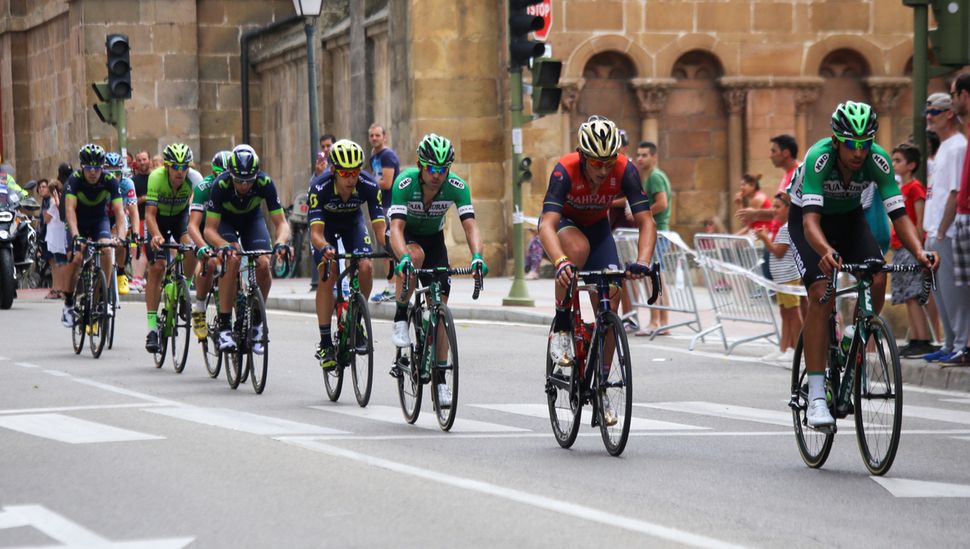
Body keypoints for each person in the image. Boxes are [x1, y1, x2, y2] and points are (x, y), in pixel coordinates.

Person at [787, 101, 936, 429]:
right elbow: (811, 222)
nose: (859, 152)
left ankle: (856, 333)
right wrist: (825, 251)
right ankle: (814, 395)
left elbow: (899, 215)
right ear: (837, 140)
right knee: (820, 291)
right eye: (852, 144)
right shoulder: (819, 158)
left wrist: (921, 252)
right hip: (810, 222)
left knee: (877, 274)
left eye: (865, 144)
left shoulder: (878, 161)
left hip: (850, 220)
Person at [539, 115, 657, 427]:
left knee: (612, 296)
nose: (602, 171)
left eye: (607, 163)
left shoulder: (625, 169)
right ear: (582, 156)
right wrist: (561, 261)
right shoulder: (565, 170)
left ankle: (602, 386)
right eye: (595, 164)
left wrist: (643, 261)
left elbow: (647, 221)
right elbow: (546, 224)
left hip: (599, 229)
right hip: (567, 226)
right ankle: (563, 327)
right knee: (576, 251)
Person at [387, 133, 487, 407]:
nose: (437, 175)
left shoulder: (456, 186)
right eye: (432, 168)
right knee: (414, 256)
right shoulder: (405, 183)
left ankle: (441, 380)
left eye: (443, 169)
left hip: (433, 239)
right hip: (403, 235)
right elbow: (395, 227)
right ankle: (399, 315)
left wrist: (477, 256)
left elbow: (470, 225)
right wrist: (403, 257)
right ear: (421, 165)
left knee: (440, 310)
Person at [307, 139, 386, 369]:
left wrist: (392, 250)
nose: (351, 178)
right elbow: (316, 234)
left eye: (355, 172)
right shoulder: (319, 188)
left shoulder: (369, 185)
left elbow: (381, 231)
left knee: (366, 266)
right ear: (333, 171)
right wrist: (325, 248)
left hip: (353, 223)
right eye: (344, 173)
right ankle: (324, 342)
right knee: (328, 273)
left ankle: (356, 318)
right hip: (325, 229)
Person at [204, 144, 291, 353]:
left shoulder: (264, 182)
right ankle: (225, 325)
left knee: (263, 263)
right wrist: (223, 246)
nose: (243, 185)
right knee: (232, 257)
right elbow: (209, 230)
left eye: (248, 181)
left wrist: (280, 242)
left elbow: (281, 223)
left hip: (252, 219)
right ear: (230, 174)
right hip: (225, 222)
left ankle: (258, 322)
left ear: (256, 175)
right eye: (239, 180)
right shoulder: (221, 184)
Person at [921, 91, 970, 365]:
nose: (929, 117)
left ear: (949, 113)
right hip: (934, 230)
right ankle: (950, 342)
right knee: (940, 293)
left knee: (954, 292)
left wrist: (941, 230)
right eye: (927, 112)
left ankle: (962, 343)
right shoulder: (944, 148)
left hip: (946, 232)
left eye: (935, 112)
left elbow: (955, 191)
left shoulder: (957, 146)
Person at [62, 144, 126, 329]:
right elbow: (69, 210)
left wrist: (120, 236)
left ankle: (103, 297)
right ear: (82, 167)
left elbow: (119, 212)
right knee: (76, 257)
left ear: (102, 167)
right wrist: (75, 235)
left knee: (106, 248)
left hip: (99, 220)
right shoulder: (74, 181)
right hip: (78, 222)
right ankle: (68, 303)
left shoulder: (110, 180)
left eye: (97, 168)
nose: (93, 172)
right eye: (89, 168)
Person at [143, 143, 198, 353]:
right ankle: (151, 329)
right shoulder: (156, 178)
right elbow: (149, 214)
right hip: (158, 221)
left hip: (180, 219)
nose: (180, 171)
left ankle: (184, 290)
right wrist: (156, 235)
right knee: (158, 266)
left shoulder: (194, 179)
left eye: (184, 167)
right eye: (175, 166)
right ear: (167, 166)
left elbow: (199, 211)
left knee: (192, 249)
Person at [887, 143, 937, 358]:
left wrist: (919, 248)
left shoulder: (915, 188)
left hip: (911, 248)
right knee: (908, 296)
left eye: (898, 160)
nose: (894, 164)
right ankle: (916, 338)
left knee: (915, 295)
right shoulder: (900, 189)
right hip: (899, 248)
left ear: (911, 165)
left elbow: (918, 220)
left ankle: (922, 339)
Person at [186, 150, 230, 340]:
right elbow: (193, 226)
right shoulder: (203, 188)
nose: (223, 181)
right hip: (202, 228)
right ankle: (200, 308)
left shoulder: (235, 187)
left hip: (223, 228)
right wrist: (203, 247)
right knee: (210, 263)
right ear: (212, 173)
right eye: (218, 176)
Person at [755, 192, 801, 362]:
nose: (774, 211)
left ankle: (797, 349)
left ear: (789, 208)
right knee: (784, 313)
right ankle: (784, 348)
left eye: (778, 207)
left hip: (789, 278)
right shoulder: (784, 228)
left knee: (793, 312)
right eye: (773, 207)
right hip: (781, 279)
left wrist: (765, 239)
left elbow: (778, 252)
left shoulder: (787, 228)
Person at [637, 141, 673, 337]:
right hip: (658, 233)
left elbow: (662, 203)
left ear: (654, 157)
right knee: (658, 279)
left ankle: (656, 321)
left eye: (644, 155)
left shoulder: (655, 177)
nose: (640, 159)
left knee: (654, 279)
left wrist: (642, 214)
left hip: (657, 233)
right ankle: (662, 321)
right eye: (639, 155)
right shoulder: (652, 177)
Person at [947, 74, 970, 366]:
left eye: (953, 94)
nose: (952, 100)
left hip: (966, 212)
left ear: (964, 95)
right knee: (965, 286)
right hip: (963, 215)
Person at [367, 123, 401, 304]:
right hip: (381, 205)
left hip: (389, 205)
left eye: (377, 135)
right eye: (371, 135)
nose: (374, 138)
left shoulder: (387, 156)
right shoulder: (374, 155)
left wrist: (365, 183)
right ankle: (391, 286)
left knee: (388, 248)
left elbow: (387, 183)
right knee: (384, 248)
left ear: (384, 137)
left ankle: (392, 288)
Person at [103, 152, 139, 295]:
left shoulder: (127, 183)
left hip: (119, 214)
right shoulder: (99, 182)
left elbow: (134, 211)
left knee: (122, 241)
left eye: (117, 173)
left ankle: (121, 272)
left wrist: (136, 232)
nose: (113, 177)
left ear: (122, 172)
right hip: (102, 215)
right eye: (109, 172)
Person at [130, 150, 152, 292]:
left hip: (154, 219)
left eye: (144, 159)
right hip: (139, 219)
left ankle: (141, 278)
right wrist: (143, 198)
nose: (142, 162)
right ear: (136, 163)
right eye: (139, 160)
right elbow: (130, 202)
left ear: (149, 160)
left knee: (149, 250)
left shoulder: (155, 177)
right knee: (137, 250)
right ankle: (137, 278)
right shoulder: (133, 181)